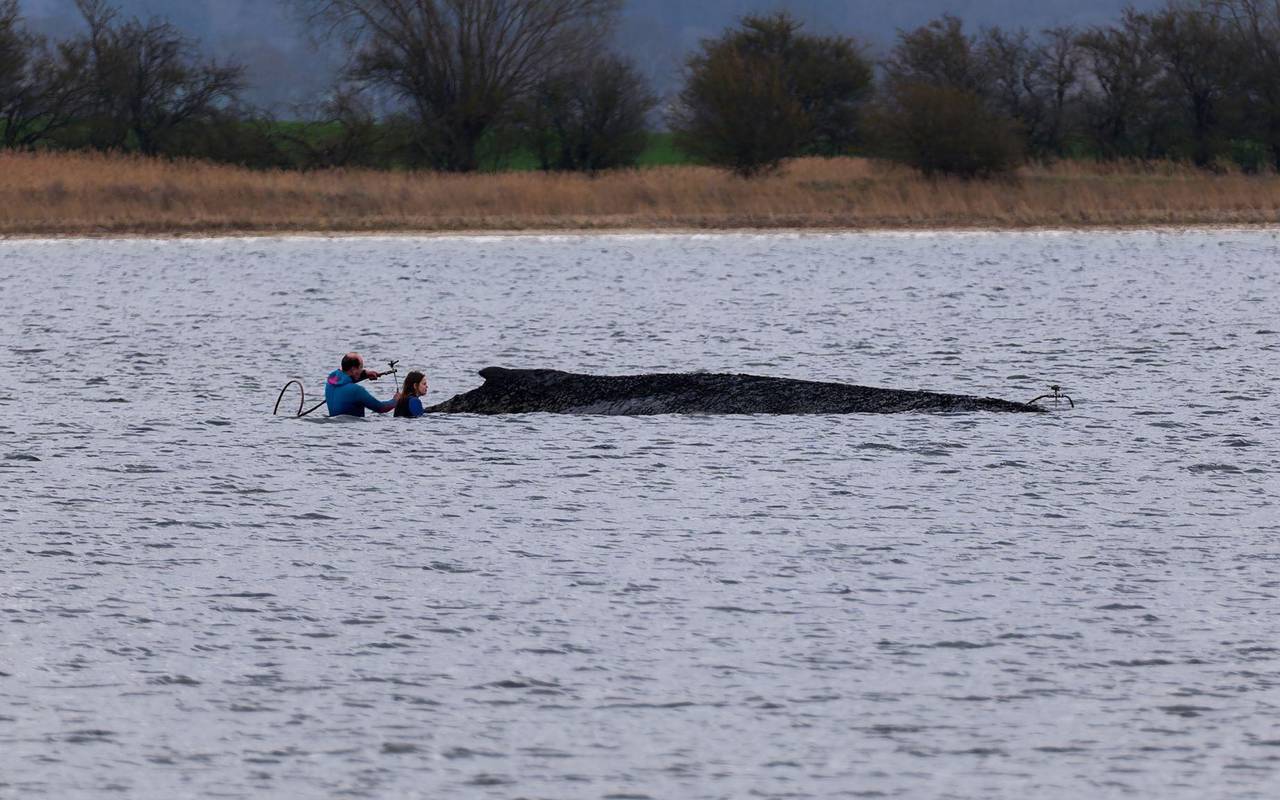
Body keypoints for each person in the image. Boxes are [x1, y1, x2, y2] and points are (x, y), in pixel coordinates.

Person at [325, 352, 400, 417]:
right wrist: (395, 401)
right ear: (353, 369)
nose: (361, 370)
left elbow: (341, 372)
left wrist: (365, 373)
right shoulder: (356, 391)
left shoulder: (330, 381)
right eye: (361, 368)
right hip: (353, 431)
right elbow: (381, 408)